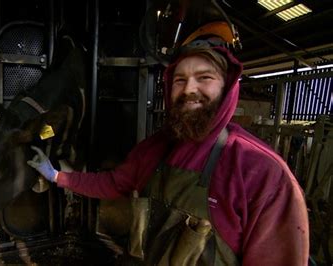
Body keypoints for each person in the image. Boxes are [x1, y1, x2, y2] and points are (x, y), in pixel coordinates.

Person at [27, 42, 309, 265]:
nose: (189, 89)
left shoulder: (261, 171)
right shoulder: (154, 149)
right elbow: (112, 183)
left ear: (227, 88)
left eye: (204, 78)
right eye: (179, 80)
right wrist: (58, 176)